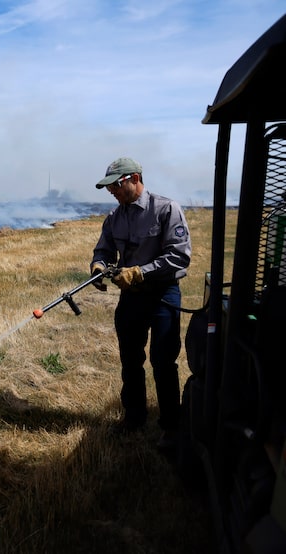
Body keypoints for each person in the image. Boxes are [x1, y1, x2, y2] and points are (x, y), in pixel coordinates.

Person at [89, 157, 191, 450]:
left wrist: (139, 272)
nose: (112, 191)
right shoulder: (114, 218)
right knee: (130, 360)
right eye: (109, 188)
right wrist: (98, 265)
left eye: (116, 185)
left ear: (134, 178)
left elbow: (178, 256)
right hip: (131, 299)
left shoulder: (166, 209)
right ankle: (134, 417)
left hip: (162, 295)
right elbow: (104, 250)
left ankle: (171, 426)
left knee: (163, 361)